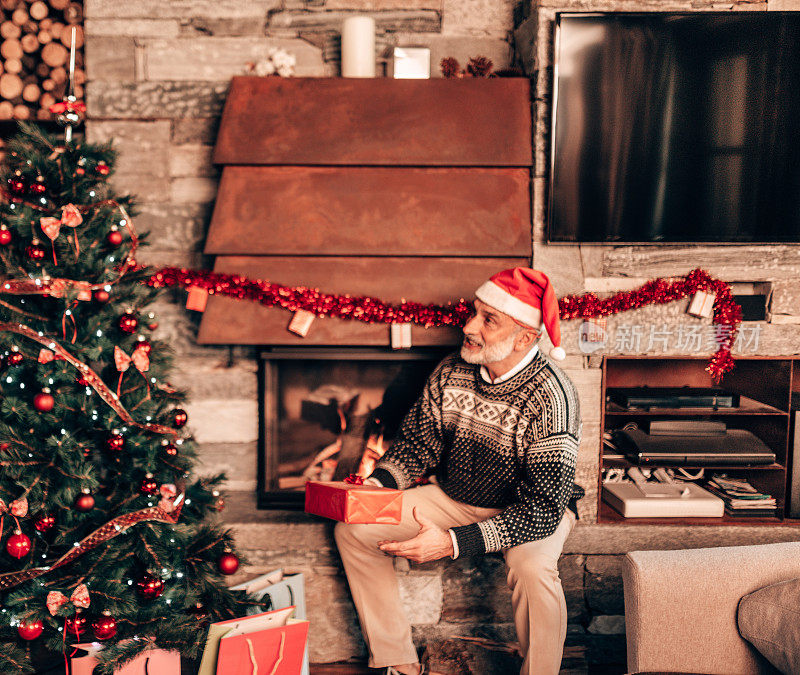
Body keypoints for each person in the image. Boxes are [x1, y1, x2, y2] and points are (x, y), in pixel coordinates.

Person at [334, 267, 585, 675]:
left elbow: (543, 508)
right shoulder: (452, 370)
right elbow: (417, 445)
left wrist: (452, 542)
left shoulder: (553, 397)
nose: (469, 326)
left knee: (533, 569)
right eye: (475, 312)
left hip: (530, 510)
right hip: (456, 497)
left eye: (489, 319)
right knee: (354, 529)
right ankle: (397, 661)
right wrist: (376, 487)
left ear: (525, 337)